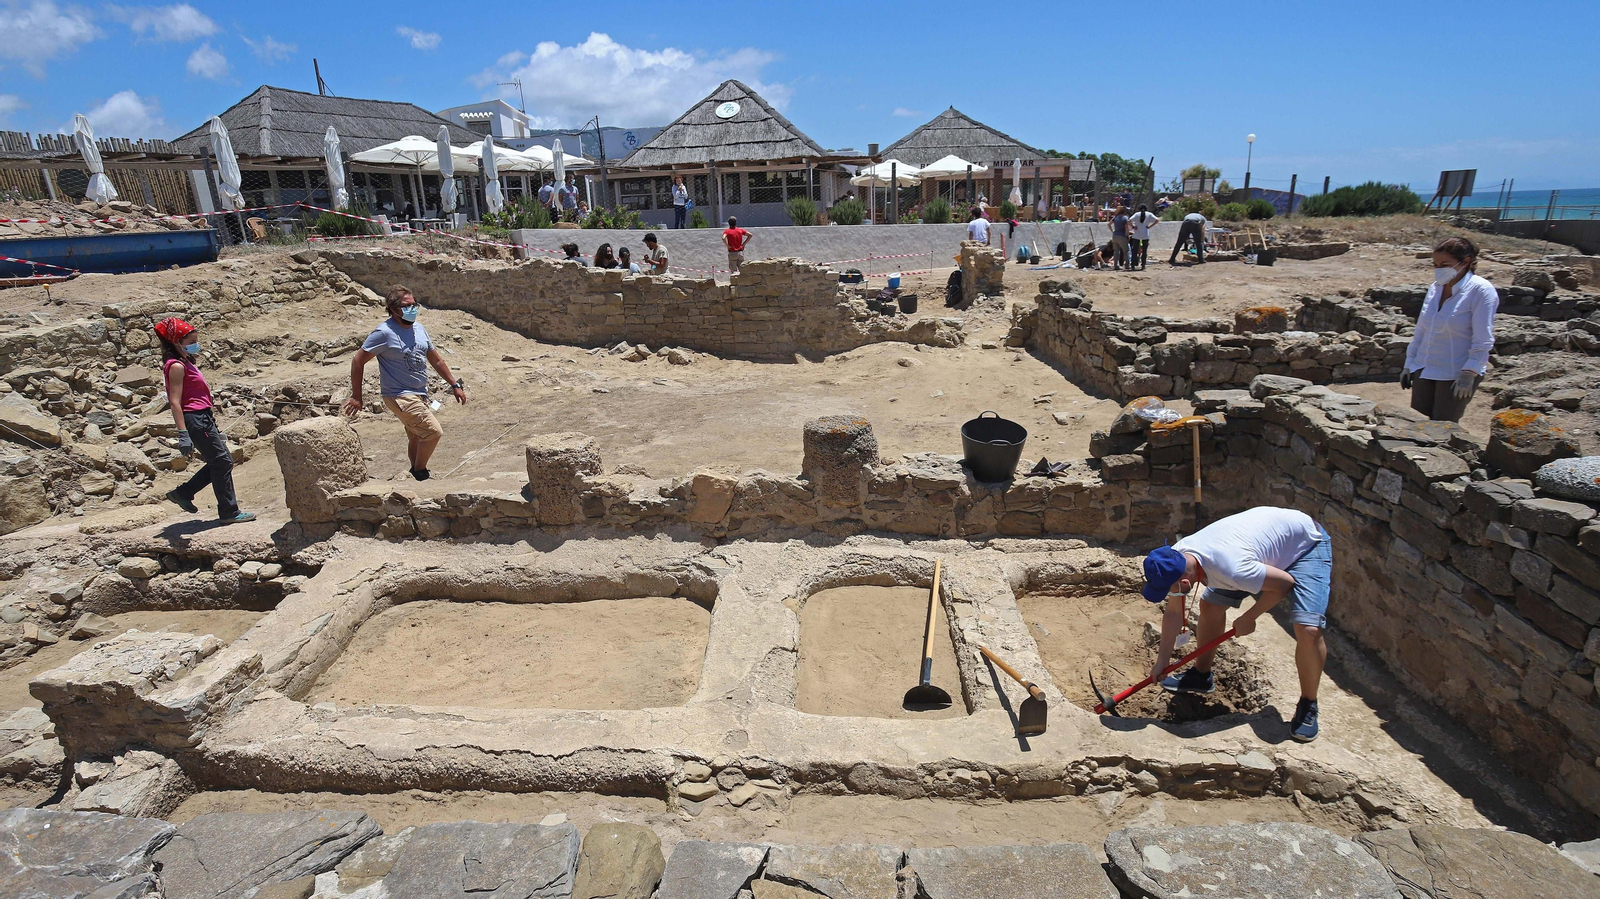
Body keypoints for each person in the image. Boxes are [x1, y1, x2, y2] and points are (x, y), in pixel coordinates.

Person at [1142, 506, 1332, 742]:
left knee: (1308, 629)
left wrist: (1250, 617)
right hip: (1258, 547)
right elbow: (1173, 613)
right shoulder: (1176, 557)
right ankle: (1201, 676)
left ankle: (1308, 703)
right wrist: (1162, 661)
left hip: (1305, 544)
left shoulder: (1234, 569)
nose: (1167, 594)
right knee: (1210, 605)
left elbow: (1284, 585)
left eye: (1167, 589)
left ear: (1184, 582)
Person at [341, 286, 466, 481]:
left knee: (416, 435)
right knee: (432, 432)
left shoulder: (419, 328)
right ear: (393, 308)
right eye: (407, 306)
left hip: (419, 393)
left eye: (414, 304)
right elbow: (358, 361)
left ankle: (414, 474)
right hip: (399, 394)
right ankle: (420, 472)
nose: (413, 309)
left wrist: (454, 385)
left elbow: (436, 360)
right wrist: (357, 396)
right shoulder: (383, 332)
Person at [155, 318, 255, 524]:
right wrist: (183, 433)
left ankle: (184, 493)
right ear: (177, 342)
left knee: (220, 461)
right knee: (222, 461)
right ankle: (228, 511)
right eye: (191, 341)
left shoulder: (185, 361)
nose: (195, 345)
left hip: (203, 416)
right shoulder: (176, 366)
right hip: (195, 419)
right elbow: (175, 401)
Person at [1402, 237, 1498, 422]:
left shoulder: (1481, 291)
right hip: (1425, 366)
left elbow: (1483, 337)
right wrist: (1409, 364)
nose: (1439, 270)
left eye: (1445, 264)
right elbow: (1422, 330)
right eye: (1435, 265)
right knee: (1416, 424)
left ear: (1466, 261)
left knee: (1443, 427)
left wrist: (1470, 371)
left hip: (1455, 371)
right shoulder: (1435, 288)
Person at [1128, 204, 1158, 271]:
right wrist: (1150, 226)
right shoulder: (1149, 214)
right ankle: (1143, 265)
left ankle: (1133, 265)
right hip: (1145, 235)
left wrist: (1133, 226)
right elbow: (1157, 220)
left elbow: (1129, 221)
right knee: (1144, 251)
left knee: (1134, 250)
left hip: (1136, 234)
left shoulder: (1136, 214)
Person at [1110, 206, 1131, 270]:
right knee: (1126, 251)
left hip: (1115, 235)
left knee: (1116, 251)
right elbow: (1126, 227)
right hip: (1122, 235)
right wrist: (1128, 235)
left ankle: (1116, 265)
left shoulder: (1115, 217)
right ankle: (1127, 265)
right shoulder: (1125, 218)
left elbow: (1109, 224)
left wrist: (1112, 231)